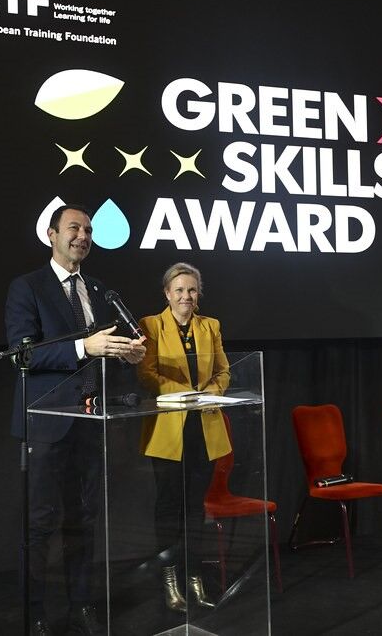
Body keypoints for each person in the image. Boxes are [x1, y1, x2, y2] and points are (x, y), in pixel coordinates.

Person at [6, 204, 145, 636]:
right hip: (46, 425)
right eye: (73, 228)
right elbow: (23, 355)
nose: (82, 236)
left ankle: (82, 606)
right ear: (51, 234)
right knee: (40, 525)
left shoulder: (98, 289)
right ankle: (35, 614)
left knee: (83, 521)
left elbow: (104, 350)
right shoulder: (27, 287)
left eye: (88, 230)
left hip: (89, 422)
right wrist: (86, 347)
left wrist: (126, 354)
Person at [136, 262, 231, 613]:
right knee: (168, 507)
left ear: (198, 293)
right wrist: (184, 393)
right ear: (167, 293)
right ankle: (170, 581)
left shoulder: (211, 326)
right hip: (168, 431)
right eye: (179, 290)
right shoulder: (151, 325)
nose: (185, 296)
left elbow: (223, 371)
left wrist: (209, 393)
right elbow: (147, 373)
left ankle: (195, 578)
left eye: (191, 290)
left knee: (194, 508)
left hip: (204, 428)